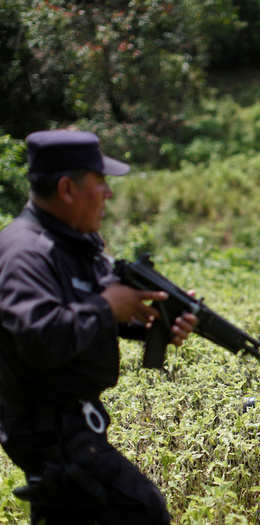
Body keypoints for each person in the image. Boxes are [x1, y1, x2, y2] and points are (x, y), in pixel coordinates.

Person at [0, 130, 197, 524]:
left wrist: (152, 322)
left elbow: (94, 310)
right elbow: (38, 336)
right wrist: (108, 307)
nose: (108, 193)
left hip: (77, 420)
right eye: (101, 182)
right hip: (48, 428)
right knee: (143, 509)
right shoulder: (25, 253)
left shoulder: (76, 242)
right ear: (67, 188)